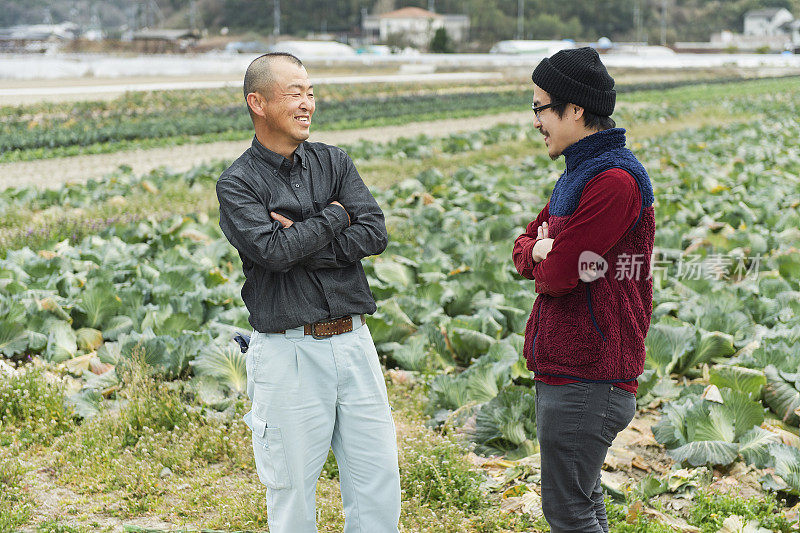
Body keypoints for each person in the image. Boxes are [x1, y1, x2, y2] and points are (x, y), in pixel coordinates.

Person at [216, 52, 400, 533]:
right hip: (289, 351)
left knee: (377, 480)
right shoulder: (238, 184)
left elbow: (375, 232)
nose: (307, 104)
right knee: (292, 490)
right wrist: (336, 217)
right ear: (257, 102)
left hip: (355, 343)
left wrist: (299, 239)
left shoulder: (334, 161)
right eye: (295, 93)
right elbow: (272, 254)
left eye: (310, 92)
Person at [512, 47, 655, 532]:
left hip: (590, 375)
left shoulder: (614, 181)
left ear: (574, 109)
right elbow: (523, 248)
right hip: (569, 370)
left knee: (569, 511)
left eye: (539, 107)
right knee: (583, 502)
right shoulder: (577, 175)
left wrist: (545, 254)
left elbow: (560, 274)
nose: (535, 121)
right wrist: (537, 249)